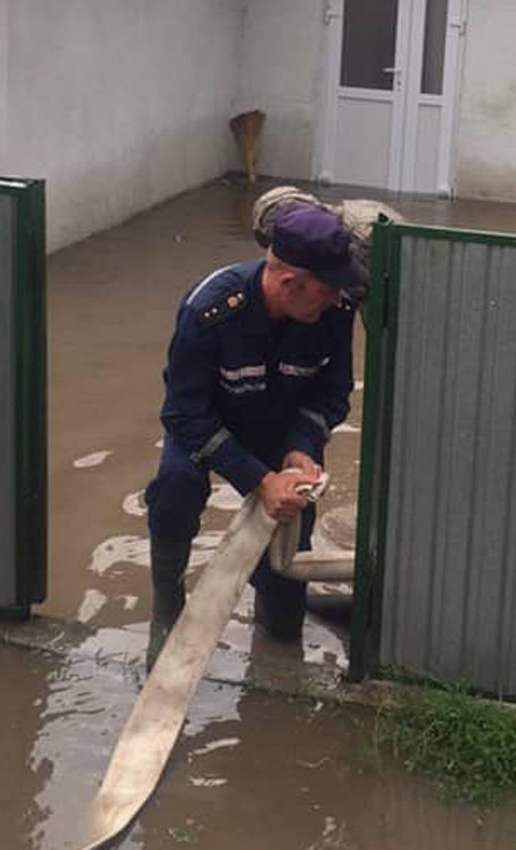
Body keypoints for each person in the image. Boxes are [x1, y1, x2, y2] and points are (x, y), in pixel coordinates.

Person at [143, 205, 366, 669]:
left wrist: (300, 451)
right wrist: (258, 479)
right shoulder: (211, 310)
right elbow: (183, 412)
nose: (333, 300)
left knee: (284, 614)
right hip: (209, 424)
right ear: (290, 284)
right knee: (176, 487)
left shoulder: (333, 309)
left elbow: (334, 392)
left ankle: (281, 621)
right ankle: (166, 605)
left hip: (282, 435)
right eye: (325, 291)